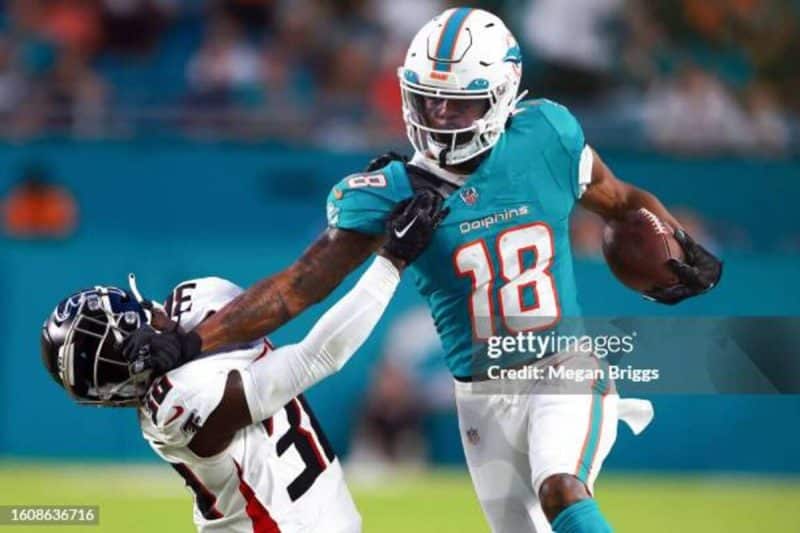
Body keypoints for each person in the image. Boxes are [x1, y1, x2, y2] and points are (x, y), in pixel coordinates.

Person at [123, 8, 722, 532]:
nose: (437, 115)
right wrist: (192, 340)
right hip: (480, 397)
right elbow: (295, 288)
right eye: (426, 98)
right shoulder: (390, 191)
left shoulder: (547, 135)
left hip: (562, 366)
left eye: (456, 103)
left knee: (560, 486)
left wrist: (673, 238)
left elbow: (618, 199)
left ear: (503, 96)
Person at [40, 191, 447, 533]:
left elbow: (291, 291)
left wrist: (364, 224)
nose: (148, 307)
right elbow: (319, 355)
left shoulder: (193, 301)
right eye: (131, 317)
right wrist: (391, 261)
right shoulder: (177, 405)